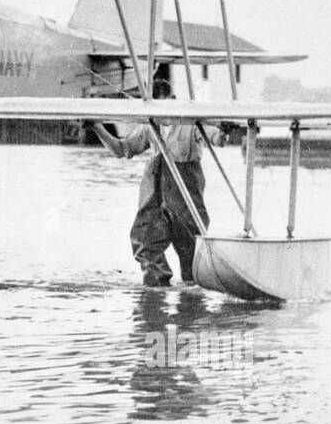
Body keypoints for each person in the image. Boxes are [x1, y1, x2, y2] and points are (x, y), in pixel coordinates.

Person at [88, 78, 228, 287]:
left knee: (190, 242)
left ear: (172, 100)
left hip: (185, 182)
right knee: (146, 239)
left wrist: (224, 131)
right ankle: (155, 293)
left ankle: (192, 294)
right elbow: (121, 149)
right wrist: (97, 127)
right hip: (156, 182)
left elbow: (216, 138)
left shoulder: (190, 123)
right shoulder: (150, 126)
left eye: (162, 106)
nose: (160, 115)